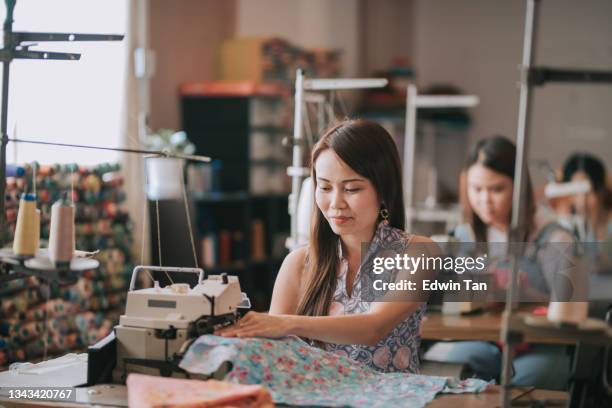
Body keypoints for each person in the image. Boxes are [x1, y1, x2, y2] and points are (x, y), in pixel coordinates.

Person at [216, 119, 435, 373]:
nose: (335, 203)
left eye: (352, 189)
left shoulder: (418, 252)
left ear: (384, 190)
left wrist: (287, 323)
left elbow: (374, 327)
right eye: (325, 187)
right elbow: (274, 354)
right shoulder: (298, 264)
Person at [425, 135, 575, 390]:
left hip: (539, 345)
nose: (485, 200)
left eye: (496, 189)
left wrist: (526, 293)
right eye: (476, 189)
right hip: (485, 341)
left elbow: (570, 309)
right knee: (441, 364)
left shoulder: (553, 237)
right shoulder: (464, 236)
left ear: (518, 188)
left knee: (523, 387)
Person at [561, 153, 612, 242]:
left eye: (588, 193)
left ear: (601, 191)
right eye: (574, 193)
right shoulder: (567, 225)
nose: (581, 202)